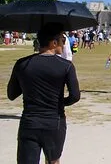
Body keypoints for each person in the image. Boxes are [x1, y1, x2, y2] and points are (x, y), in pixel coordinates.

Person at [7, 22, 81, 164]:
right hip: (54, 121)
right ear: (54, 43)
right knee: (53, 160)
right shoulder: (66, 66)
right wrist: (60, 102)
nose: (64, 43)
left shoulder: (22, 64)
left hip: (30, 122)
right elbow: (75, 96)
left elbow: (12, 94)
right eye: (62, 40)